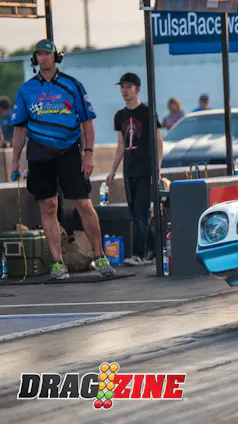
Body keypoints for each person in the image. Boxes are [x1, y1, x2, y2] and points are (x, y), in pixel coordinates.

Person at [10, 39, 116, 280]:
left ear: (55, 57)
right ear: (35, 59)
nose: (43, 58)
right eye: (39, 54)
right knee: (48, 207)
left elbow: (87, 122)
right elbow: (19, 128)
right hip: (38, 156)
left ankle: (99, 256)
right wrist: (15, 161)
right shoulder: (26, 90)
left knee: (83, 204)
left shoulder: (72, 85)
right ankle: (58, 264)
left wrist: (88, 154)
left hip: (69, 152)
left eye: (47, 54)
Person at [106, 72, 162, 266]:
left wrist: (157, 169)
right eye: (122, 87)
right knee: (135, 214)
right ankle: (155, 247)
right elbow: (121, 145)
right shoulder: (120, 116)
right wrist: (113, 170)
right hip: (129, 171)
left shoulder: (147, 112)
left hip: (146, 170)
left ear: (137, 89)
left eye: (129, 87)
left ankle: (138, 254)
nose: (125, 91)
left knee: (141, 213)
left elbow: (158, 140)